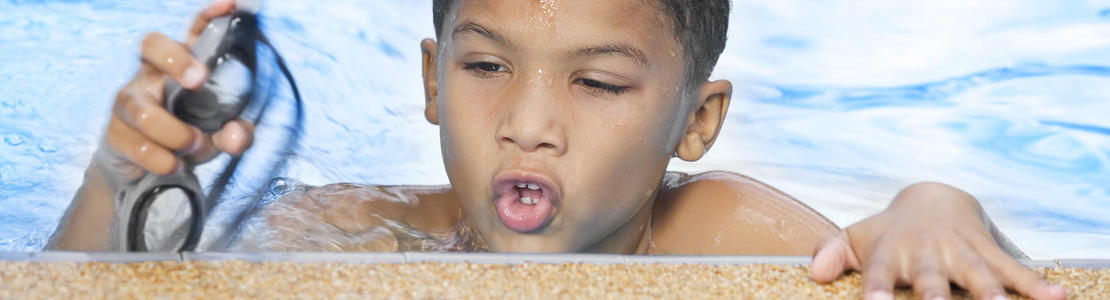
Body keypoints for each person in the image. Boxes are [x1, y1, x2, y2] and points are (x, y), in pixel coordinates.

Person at [49, 0, 1067, 299]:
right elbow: (93, 282)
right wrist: (123, 180)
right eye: (488, 68)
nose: (529, 124)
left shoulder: (716, 228)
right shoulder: (363, 226)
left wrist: (936, 203)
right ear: (433, 82)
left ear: (696, 121)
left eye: (598, 82)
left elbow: (863, 259)